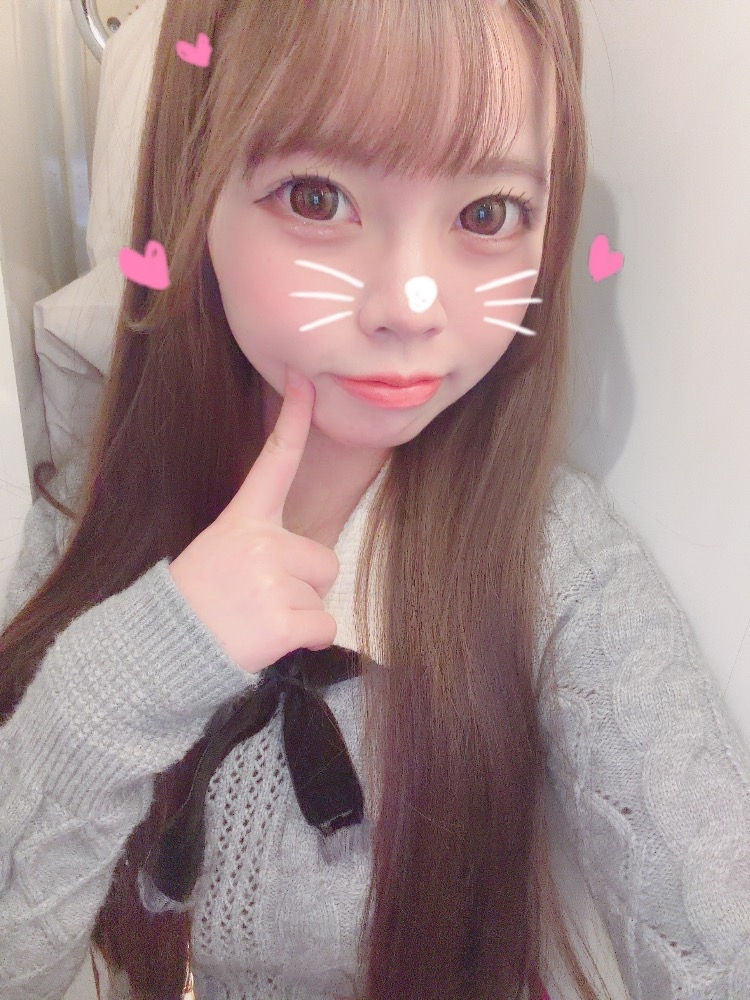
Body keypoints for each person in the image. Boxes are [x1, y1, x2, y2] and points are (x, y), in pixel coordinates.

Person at [1, 0, 749, 998]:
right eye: (316, 197)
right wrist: (128, 675)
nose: (409, 303)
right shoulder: (87, 513)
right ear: (194, 190)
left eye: (486, 214)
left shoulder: (553, 567)